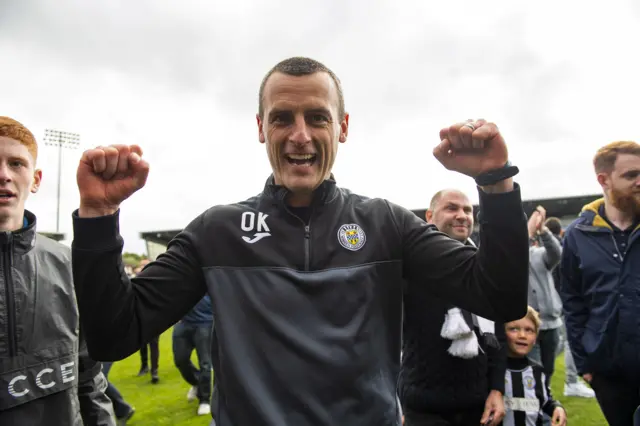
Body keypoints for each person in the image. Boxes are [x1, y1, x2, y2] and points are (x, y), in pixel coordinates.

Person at [70, 57, 530, 426]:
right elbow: (114, 335)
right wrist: (98, 218)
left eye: (317, 117)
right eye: (282, 119)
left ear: (342, 127)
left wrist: (495, 185)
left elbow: (500, 295)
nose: (300, 136)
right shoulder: (219, 231)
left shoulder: (386, 222)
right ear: (260, 128)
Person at [0, 116, 116, 425]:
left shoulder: (70, 263)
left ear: (35, 179)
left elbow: (89, 377)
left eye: (16, 164)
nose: (3, 175)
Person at [400, 189, 506, 426]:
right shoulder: (407, 265)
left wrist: (497, 389)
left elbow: (497, 335)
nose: (462, 215)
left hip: (477, 406)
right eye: (452, 208)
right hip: (423, 406)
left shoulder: (484, 268)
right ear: (430, 215)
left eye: (468, 210)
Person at [560, 141, 640, 426]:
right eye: (631, 175)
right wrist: (586, 364)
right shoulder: (577, 235)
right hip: (608, 371)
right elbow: (572, 302)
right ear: (603, 180)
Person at [544, 217, 594, 399]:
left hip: (558, 302)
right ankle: (571, 382)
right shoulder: (558, 249)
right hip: (563, 303)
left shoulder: (553, 248)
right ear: (560, 231)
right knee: (568, 342)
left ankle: (557, 379)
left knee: (559, 343)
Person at [502, 306, 566, 426]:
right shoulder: (493, 371)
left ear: (535, 338)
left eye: (529, 330)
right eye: (514, 329)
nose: (522, 335)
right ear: (502, 334)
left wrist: (557, 408)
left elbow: (546, 401)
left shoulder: (538, 371)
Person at [525, 206, 563, 389]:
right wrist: (528, 232)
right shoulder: (511, 256)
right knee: (534, 368)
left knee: (548, 368)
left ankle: (544, 400)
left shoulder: (540, 254)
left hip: (551, 323)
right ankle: (537, 406)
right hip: (528, 324)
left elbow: (557, 253)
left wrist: (543, 230)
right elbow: (516, 251)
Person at [172, 295, 214, 416]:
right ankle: (196, 383)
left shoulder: (210, 276)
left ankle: (205, 399)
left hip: (205, 322)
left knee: (205, 363)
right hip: (183, 323)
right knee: (180, 360)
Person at [132, 260, 160, 384]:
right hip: (141, 318)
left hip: (154, 319)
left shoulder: (157, 281)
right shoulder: (138, 281)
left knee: (153, 345)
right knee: (142, 346)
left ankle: (154, 372)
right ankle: (144, 367)